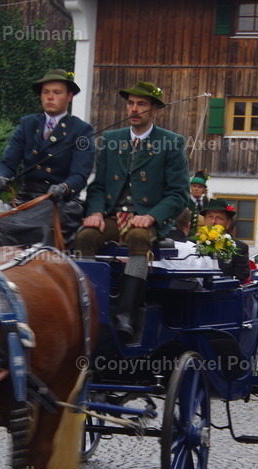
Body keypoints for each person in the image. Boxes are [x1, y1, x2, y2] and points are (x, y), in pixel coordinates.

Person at [78, 80, 189, 343]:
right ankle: (91, 306)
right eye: (131, 103)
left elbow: (179, 193)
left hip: (146, 219)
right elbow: (98, 187)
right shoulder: (113, 140)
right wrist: (94, 211)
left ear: (153, 110)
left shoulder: (171, 142)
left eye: (141, 104)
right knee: (84, 237)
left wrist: (152, 216)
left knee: (139, 237)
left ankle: (126, 314)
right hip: (114, 216)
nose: (134, 109)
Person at [0, 69, 95, 249]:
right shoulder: (27, 124)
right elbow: (7, 163)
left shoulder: (82, 130)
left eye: (56, 92)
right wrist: (0, 177)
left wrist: (64, 187)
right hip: (26, 198)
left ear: (69, 97)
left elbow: (80, 175)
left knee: (41, 230)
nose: (50, 97)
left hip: (61, 201)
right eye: (46, 92)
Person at [201, 198, 250, 283]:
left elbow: (240, 278)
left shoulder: (239, 248)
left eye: (219, 218)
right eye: (210, 216)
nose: (213, 221)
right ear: (204, 220)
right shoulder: (192, 244)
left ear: (228, 223)